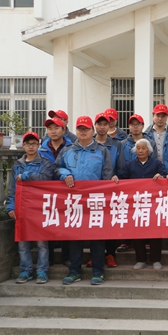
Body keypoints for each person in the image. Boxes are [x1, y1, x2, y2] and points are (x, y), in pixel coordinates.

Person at [55, 115, 114, 286]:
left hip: (95, 200)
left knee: (97, 237)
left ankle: (98, 272)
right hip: (74, 200)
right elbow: (57, 168)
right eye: (80, 129)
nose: (83, 132)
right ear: (76, 130)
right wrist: (65, 174)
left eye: (86, 129)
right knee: (75, 237)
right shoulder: (67, 150)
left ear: (92, 131)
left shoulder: (102, 151)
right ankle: (74, 271)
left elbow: (107, 174)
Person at [7, 131, 54, 284]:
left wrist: (26, 176)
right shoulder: (17, 165)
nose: (31, 146)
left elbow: (45, 179)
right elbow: (12, 188)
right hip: (22, 208)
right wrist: (10, 207)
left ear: (39, 145)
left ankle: (42, 271)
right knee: (23, 242)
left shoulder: (45, 163)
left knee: (42, 242)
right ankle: (26, 270)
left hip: (40, 208)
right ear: (23, 145)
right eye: (28, 144)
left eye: (34, 143)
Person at [116, 139, 167, 270]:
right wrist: (115, 177)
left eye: (143, 148)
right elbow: (121, 178)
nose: (140, 150)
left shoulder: (156, 163)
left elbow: (166, 175)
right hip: (136, 204)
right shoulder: (130, 165)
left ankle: (156, 260)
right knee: (137, 232)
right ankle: (140, 259)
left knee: (155, 232)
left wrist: (161, 176)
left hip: (154, 204)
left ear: (149, 150)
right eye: (138, 148)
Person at [115, 114, 157, 254]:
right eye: (132, 124)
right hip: (128, 185)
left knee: (147, 213)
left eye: (138, 124)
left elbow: (154, 162)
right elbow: (120, 164)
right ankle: (127, 242)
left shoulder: (151, 142)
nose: (135, 127)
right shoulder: (122, 144)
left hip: (148, 187)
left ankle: (147, 241)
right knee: (129, 214)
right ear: (129, 127)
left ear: (142, 126)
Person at [38, 116, 73, 266]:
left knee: (66, 223)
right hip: (47, 191)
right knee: (49, 223)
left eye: (56, 128)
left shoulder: (72, 147)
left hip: (66, 189)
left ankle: (66, 257)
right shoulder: (41, 149)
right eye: (50, 128)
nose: (53, 131)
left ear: (63, 130)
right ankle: (49, 257)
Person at [91, 112, 122, 268]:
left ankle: (110, 254)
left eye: (105, 124)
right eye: (99, 124)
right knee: (94, 222)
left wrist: (116, 178)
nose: (102, 127)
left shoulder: (117, 144)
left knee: (109, 223)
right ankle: (95, 256)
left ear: (109, 125)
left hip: (111, 189)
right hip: (92, 190)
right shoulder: (88, 143)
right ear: (95, 126)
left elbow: (121, 167)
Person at [144, 104, 168, 173]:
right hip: (150, 173)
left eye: (163, 116)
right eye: (158, 115)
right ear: (153, 116)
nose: (160, 119)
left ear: (167, 117)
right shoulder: (146, 135)